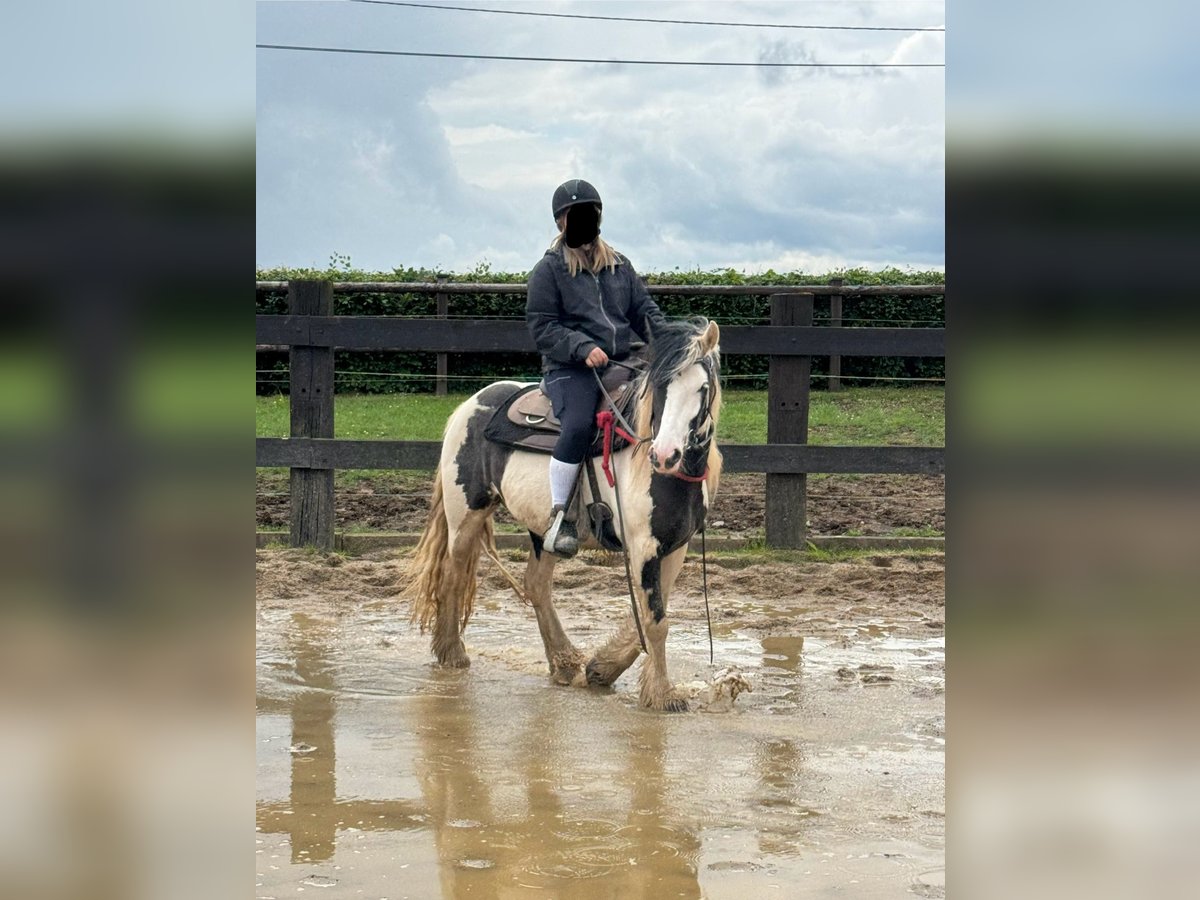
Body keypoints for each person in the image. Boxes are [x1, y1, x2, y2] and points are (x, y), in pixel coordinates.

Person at [526, 178, 668, 557]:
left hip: (626, 361)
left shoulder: (620, 266)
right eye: (577, 216)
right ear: (561, 222)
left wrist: (668, 342)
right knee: (577, 425)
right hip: (571, 369)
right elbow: (542, 325)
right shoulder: (549, 270)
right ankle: (562, 516)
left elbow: (643, 311)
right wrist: (581, 347)